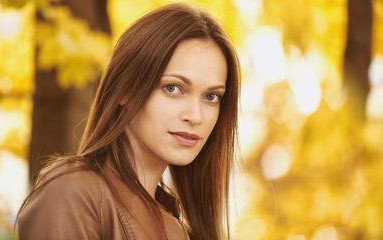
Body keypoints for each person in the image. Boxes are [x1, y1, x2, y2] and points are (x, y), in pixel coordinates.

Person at [17, 2, 240, 240]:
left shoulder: (180, 228)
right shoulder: (73, 193)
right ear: (127, 91)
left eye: (211, 96)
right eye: (173, 88)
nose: (195, 116)